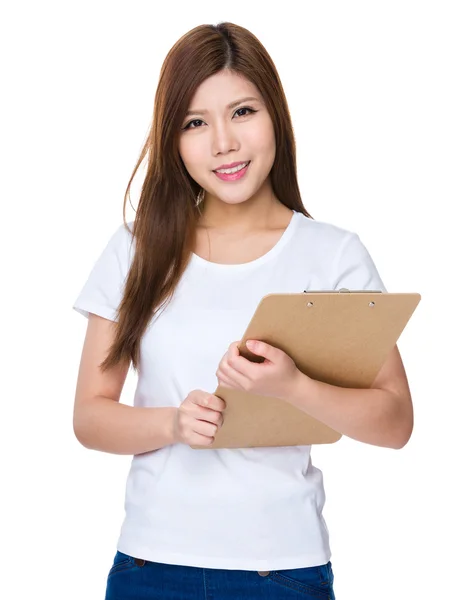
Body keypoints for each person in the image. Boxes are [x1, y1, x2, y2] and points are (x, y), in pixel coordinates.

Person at [72, 21, 413, 600]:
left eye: (243, 112)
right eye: (195, 123)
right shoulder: (135, 249)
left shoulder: (332, 254)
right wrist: (173, 424)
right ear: (172, 138)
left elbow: (396, 422)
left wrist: (294, 387)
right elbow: (89, 416)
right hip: (150, 567)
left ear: (275, 115)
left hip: (281, 570)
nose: (223, 143)